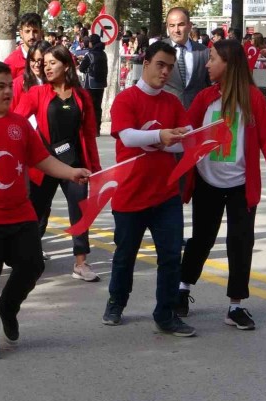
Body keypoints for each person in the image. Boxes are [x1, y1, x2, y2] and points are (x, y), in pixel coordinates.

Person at [0, 62, 91, 360]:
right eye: (0, 87)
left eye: (9, 86)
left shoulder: (20, 125)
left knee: (32, 265)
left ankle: (8, 306)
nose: (7, 92)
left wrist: (71, 172)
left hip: (20, 214)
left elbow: (41, 159)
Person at [178, 40, 266, 328]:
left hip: (241, 184)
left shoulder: (253, 98)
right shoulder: (204, 97)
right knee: (202, 239)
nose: (207, 64)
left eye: (213, 58)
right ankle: (182, 289)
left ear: (228, 63)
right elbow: (186, 135)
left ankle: (235, 306)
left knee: (241, 242)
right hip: (207, 181)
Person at [102, 41, 196, 337]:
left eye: (170, 67)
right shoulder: (126, 99)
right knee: (125, 255)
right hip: (130, 194)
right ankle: (116, 301)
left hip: (166, 195)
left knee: (170, 257)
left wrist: (171, 139)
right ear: (146, 64)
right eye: (160, 65)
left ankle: (165, 314)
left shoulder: (172, 103)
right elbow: (128, 137)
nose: (165, 72)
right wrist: (162, 136)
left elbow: (185, 141)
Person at [15, 44, 101, 281]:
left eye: (53, 63)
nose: (47, 68)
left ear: (67, 65)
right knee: (35, 214)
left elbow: (89, 135)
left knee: (80, 212)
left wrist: (95, 167)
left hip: (74, 165)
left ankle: (81, 263)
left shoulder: (82, 96)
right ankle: (25, 258)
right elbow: (16, 121)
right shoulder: (37, 93)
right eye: (45, 64)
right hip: (44, 165)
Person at [163, 7, 210, 109]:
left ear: (189, 26)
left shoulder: (204, 52)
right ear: (167, 27)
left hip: (196, 112)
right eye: (172, 25)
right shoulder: (158, 50)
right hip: (166, 110)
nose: (176, 30)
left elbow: (211, 84)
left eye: (181, 25)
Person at [78, 34, 108, 135]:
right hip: (101, 84)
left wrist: (87, 70)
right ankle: (97, 129)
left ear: (92, 43)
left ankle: (90, 128)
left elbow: (81, 68)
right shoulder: (104, 54)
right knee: (97, 107)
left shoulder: (90, 55)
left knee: (89, 107)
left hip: (91, 84)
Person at [10, 40, 50, 111]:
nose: (37, 64)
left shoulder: (55, 82)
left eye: (40, 60)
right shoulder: (18, 83)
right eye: (33, 60)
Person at [4, 13, 43, 79]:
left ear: (41, 33)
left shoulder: (48, 58)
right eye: (27, 31)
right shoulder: (11, 61)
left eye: (35, 31)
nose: (31, 36)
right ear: (21, 33)